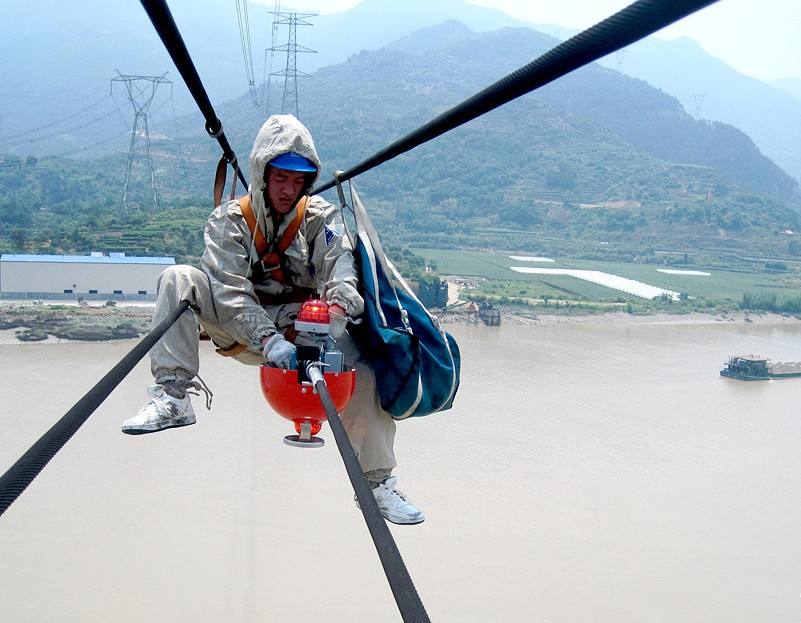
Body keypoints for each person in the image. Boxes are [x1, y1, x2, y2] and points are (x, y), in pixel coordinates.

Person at [120, 114, 424, 525]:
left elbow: (341, 267)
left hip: (304, 328)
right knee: (179, 278)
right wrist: (268, 340)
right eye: (280, 178)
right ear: (262, 175)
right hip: (242, 328)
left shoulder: (320, 219)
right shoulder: (229, 221)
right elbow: (227, 291)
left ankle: (375, 483)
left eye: (298, 181)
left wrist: (337, 309)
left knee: (364, 372)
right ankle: (174, 396)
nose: (289, 189)